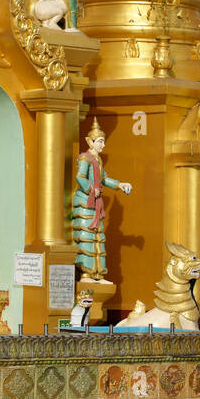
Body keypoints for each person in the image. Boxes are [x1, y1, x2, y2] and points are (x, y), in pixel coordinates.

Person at [71, 119, 132, 280]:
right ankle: (86, 272)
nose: (102, 145)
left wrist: (119, 185)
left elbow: (104, 179)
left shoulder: (98, 160)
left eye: (103, 142)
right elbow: (80, 177)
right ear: (90, 142)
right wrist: (92, 189)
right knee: (87, 236)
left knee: (98, 237)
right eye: (99, 141)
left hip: (95, 203)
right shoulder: (85, 158)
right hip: (85, 202)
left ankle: (97, 273)